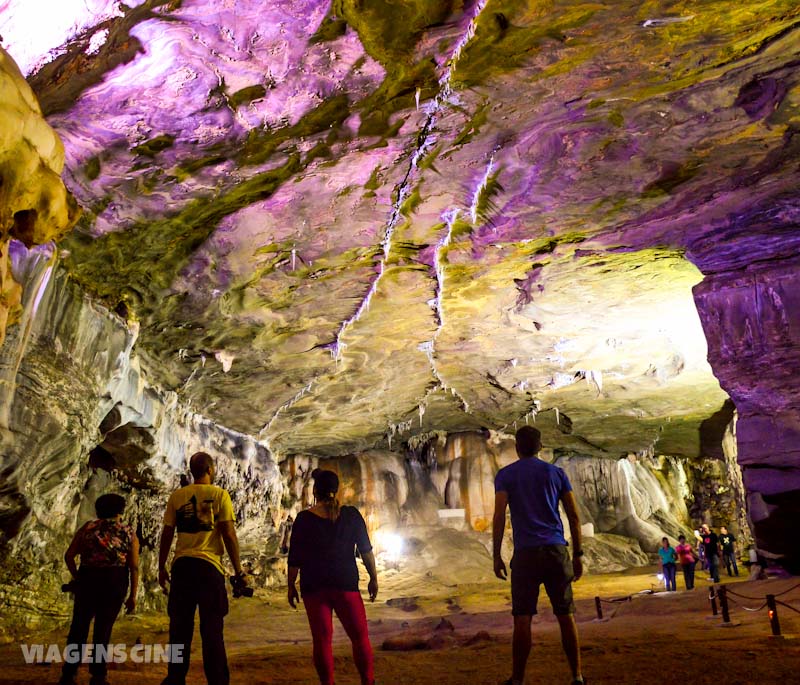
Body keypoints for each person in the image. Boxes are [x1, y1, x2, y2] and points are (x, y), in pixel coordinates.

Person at [493, 426, 585, 685]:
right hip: (556, 550)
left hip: (525, 554)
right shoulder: (556, 473)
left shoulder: (506, 476)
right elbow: (574, 517)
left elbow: (499, 515)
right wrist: (577, 554)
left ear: (517, 448)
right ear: (540, 446)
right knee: (565, 615)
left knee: (522, 618)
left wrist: (496, 555)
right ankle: (576, 676)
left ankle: (518, 680)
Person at [158, 451, 248, 685]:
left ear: (192, 471)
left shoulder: (177, 496)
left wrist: (161, 566)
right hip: (209, 569)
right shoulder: (220, 495)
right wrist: (239, 571)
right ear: (210, 470)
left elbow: (167, 533)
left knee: (179, 630)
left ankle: (175, 679)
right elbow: (228, 533)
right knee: (212, 631)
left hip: (182, 567)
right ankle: (218, 681)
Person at [288, 468, 378, 685]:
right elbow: (366, 550)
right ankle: (368, 681)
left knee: (322, 641)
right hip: (345, 584)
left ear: (315, 491)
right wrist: (373, 577)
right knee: (359, 638)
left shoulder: (303, 519)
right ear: (336, 491)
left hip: (314, 587)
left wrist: (290, 585)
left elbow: (295, 558)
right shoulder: (351, 515)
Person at [59, 493, 139, 685]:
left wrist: (78, 577)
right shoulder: (128, 532)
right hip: (114, 581)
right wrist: (133, 595)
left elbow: (69, 555)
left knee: (78, 627)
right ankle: (98, 675)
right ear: (120, 511)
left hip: (88, 579)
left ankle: (69, 673)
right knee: (103, 629)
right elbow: (134, 566)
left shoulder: (88, 528)